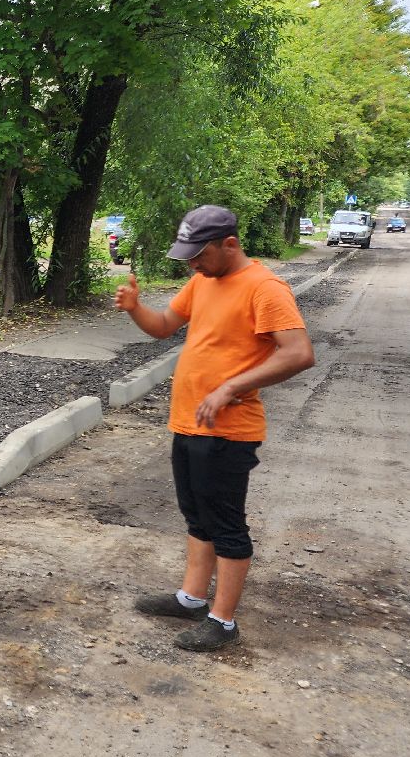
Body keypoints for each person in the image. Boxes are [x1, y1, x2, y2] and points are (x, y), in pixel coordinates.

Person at [114, 205, 316, 651]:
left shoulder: (265, 287)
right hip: (189, 422)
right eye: (187, 257)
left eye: (199, 255)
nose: (192, 265)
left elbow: (299, 352)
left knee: (225, 524)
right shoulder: (203, 280)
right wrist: (135, 308)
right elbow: (164, 326)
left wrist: (231, 387)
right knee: (196, 516)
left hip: (228, 431)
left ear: (230, 244)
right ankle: (191, 599)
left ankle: (222, 621)